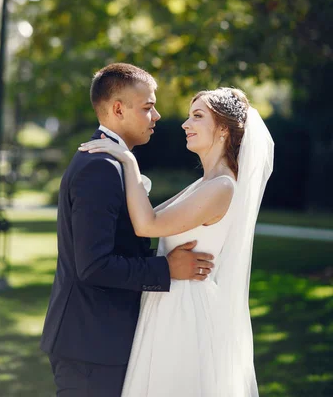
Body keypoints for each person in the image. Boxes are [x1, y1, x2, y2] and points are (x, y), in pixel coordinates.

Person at [79, 86, 274, 397]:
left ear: (223, 129)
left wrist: (128, 163)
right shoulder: (204, 183)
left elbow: (147, 225)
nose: (185, 124)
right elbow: (144, 218)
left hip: (187, 311)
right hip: (169, 299)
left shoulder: (222, 186)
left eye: (197, 116)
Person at [40, 63, 215, 397]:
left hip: (98, 341)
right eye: (148, 107)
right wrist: (166, 269)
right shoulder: (101, 168)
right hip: (91, 344)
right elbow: (93, 265)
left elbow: (117, 247)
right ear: (118, 108)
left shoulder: (112, 162)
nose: (158, 116)